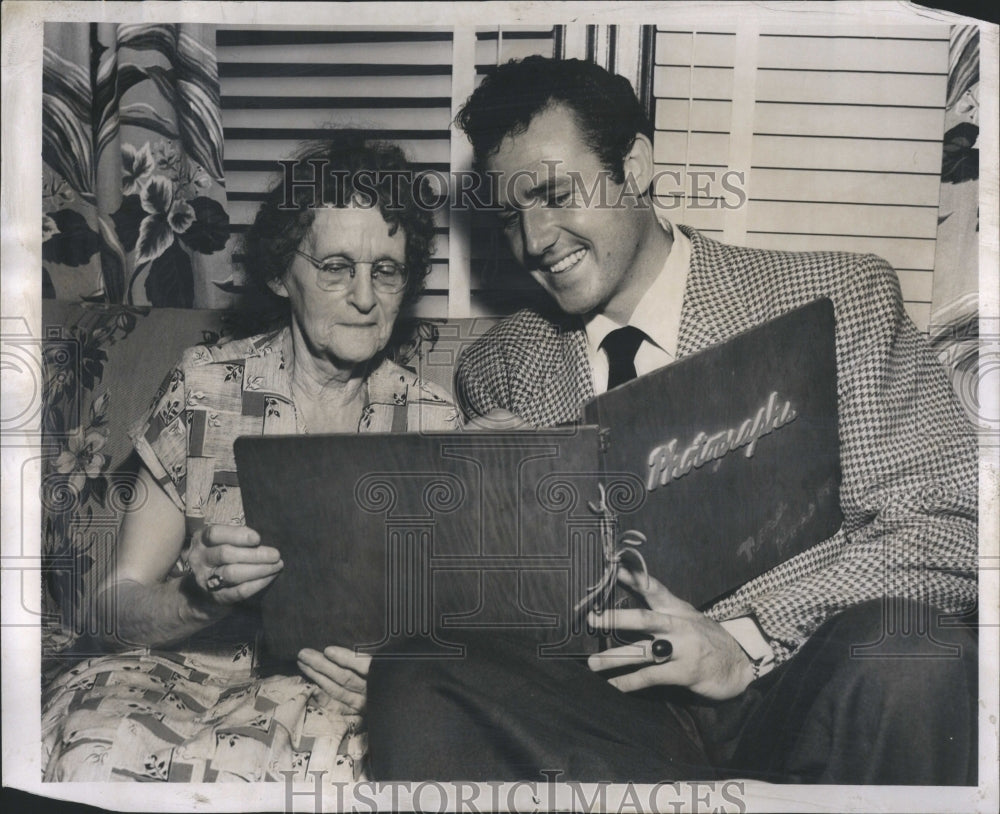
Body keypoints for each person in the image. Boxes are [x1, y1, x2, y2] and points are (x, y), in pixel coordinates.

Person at [366, 57, 979, 784]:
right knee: (415, 674)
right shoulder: (500, 365)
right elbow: (516, 616)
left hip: (796, 683)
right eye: (509, 217)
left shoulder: (838, 300)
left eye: (557, 194)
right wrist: (487, 525)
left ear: (639, 164)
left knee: (912, 655)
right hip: (612, 714)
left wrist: (744, 641)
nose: (534, 241)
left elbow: (948, 529)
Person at [41, 134, 461, 782]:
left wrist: (398, 678)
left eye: (386, 270)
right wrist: (198, 595)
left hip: (330, 701)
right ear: (278, 274)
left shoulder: (433, 423)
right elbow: (110, 607)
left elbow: (465, 637)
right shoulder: (206, 386)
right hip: (175, 673)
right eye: (335, 267)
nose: (365, 297)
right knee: (94, 748)